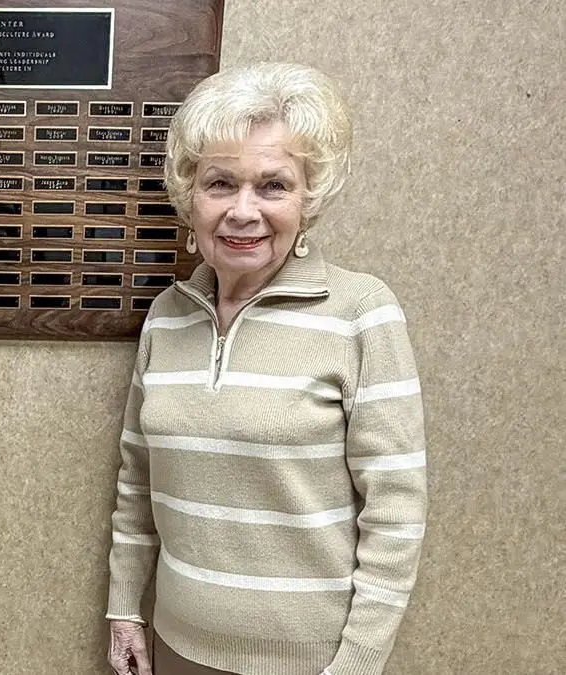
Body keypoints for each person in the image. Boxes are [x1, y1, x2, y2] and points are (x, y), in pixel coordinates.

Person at [105, 62, 427, 675]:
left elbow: (396, 510)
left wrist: (357, 664)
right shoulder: (167, 316)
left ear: (309, 197)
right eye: (220, 183)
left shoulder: (362, 313)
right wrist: (125, 608)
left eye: (272, 185)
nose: (243, 211)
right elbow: (136, 480)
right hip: (176, 649)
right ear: (189, 196)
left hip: (310, 663)